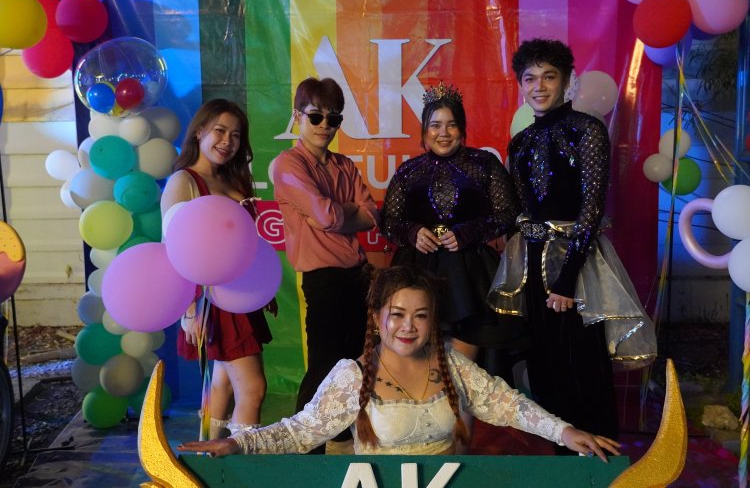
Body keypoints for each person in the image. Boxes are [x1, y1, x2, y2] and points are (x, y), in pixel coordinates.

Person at [177, 265, 621, 460]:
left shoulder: (452, 365)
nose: (409, 327)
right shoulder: (352, 376)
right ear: (377, 319)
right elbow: (299, 431)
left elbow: (509, 405)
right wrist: (241, 444)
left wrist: (565, 432)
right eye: (398, 315)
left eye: (421, 316)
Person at [488, 39, 656, 447]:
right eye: (530, 78)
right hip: (531, 262)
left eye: (549, 77)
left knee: (583, 364)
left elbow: (592, 208)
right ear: (521, 85)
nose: (539, 86)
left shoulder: (588, 130)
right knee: (544, 365)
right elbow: (520, 211)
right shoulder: (520, 141)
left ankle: (598, 462)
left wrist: (566, 280)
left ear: (566, 81)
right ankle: (561, 456)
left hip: (576, 265)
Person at [379, 82, 524, 364]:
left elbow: (509, 213)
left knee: (470, 360)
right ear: (425, 130)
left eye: (451, 125)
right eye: (435, 125)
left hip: (470, 273)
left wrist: (471, 231)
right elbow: (388, 221)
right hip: (417, 269)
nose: (443, 133)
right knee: (417, 353)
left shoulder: (484, 164)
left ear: (462, 129)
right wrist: (412, 232)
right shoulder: (408, 171)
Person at [271, 77, 379, 453]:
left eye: (333, 119)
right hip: (324, 279)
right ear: (297, 116)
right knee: (324, 366)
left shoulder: (344, 164)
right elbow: (326, 215)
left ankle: (344, 444)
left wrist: (336, 213)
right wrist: (343, 213)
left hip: (358, 276)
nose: (324, 126)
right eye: (316, 116)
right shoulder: (287, 164)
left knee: (355, 365)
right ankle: (305, 452)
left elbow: (370, 215)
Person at [161, 98, 276, 440]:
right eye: (220, 131)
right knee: (253, 389)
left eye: (236, 135)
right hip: (211, 301)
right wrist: (189, 309)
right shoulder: (184, 181)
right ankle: (240, 460)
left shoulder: (235, 180)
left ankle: (209, 455)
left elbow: (247, 245)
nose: (228, 141)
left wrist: (262, 289)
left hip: (242, 296)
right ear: (199, 132)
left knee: (222, 385)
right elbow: (173, 250)